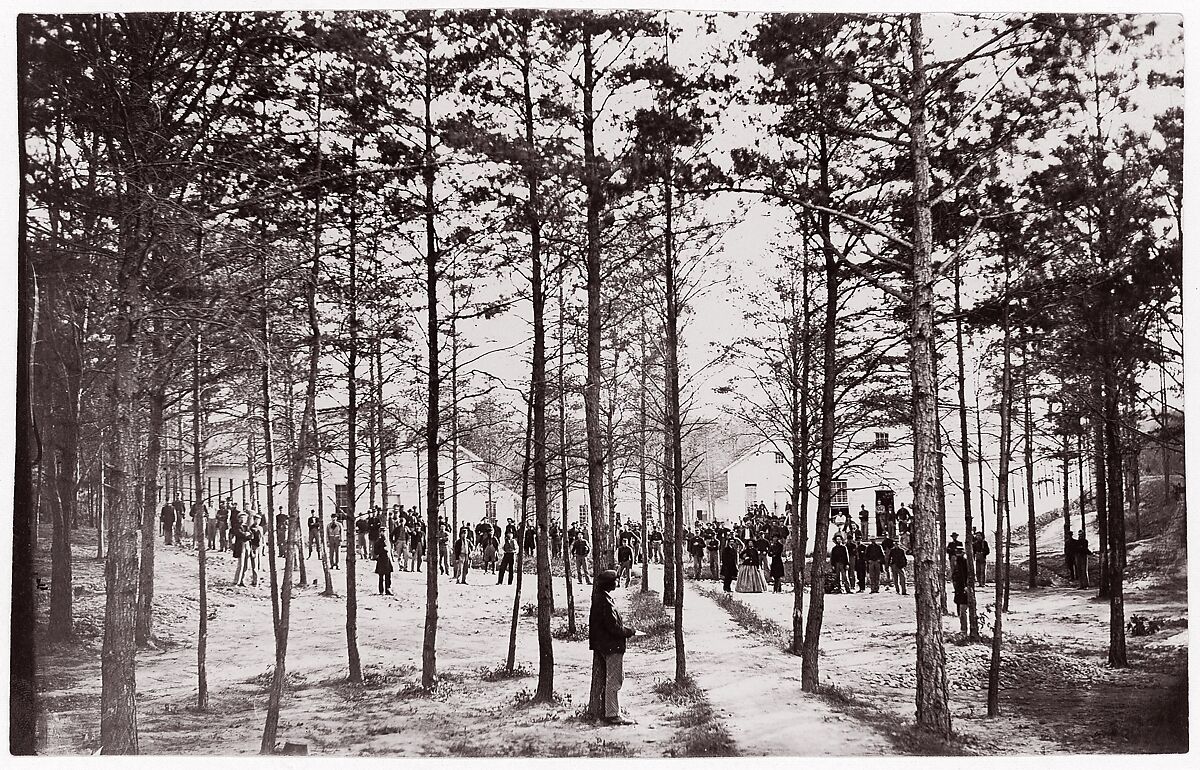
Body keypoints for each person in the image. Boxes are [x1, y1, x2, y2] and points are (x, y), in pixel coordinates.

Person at [588, 570, 637, 725]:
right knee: (614, 681)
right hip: (611, 645)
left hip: (604, 644)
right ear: (610, 583)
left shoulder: (600, 597)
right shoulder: (605, 602)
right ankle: (612, 714)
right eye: (616, 581)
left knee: (614, 679)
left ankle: (612, 711)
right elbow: (613, 628)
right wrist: (630, 632)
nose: (617, 583)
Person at [951, 551, 970, 634]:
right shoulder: (957, 566)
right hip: (958, 591)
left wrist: (967, 587)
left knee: (963, 611)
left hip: (964, 591)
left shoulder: (965, 565)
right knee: (960, 611)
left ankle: (964, 630)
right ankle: (963, 629)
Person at [373, 531, 394, 595]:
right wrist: (382, 549)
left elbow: (390, 550)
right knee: (381, 576)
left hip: (387, 560)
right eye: (382, 532)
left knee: (388, 576)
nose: (383, 534)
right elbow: (376, 552)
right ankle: (381, 590)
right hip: (381, 559)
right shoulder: (378, 542)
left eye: (384, 532)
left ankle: (388, 589)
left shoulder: (387, 541)